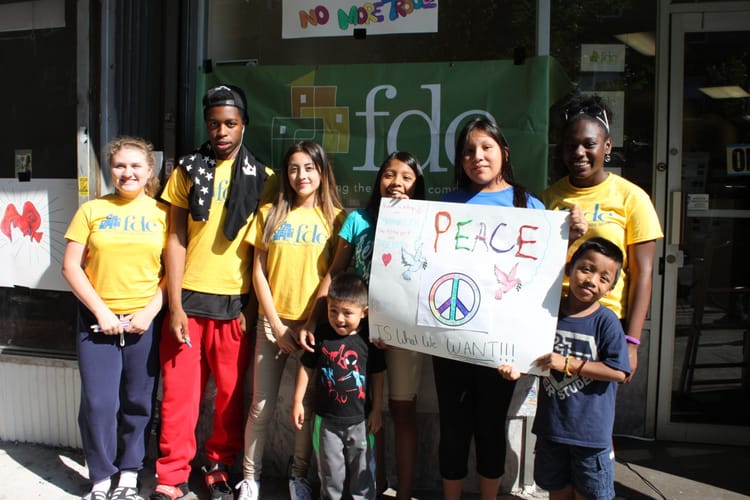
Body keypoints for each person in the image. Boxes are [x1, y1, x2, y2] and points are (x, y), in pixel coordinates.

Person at [152, 85, 277, 500]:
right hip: (187, 300)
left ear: (244, 124)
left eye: (230, 123)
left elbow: (262, 252)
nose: (221, 132)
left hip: (235, 306)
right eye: (213, 124)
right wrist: (173, 305)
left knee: (229, 397)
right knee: (179, 397)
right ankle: (171, 476)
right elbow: (174, 238)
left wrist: (252, 306)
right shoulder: (186, 169)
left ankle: (218, 467)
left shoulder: (265, 179)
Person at [431, 116, 548, 500]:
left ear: (504, 153)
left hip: (503, 349)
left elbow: (542, 276)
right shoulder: (445, 206)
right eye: (468, 150)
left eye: (486, 148)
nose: (477, 157)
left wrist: (572, 234)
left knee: (491, 427)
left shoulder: (528, 205)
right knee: (453, 427)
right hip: (451, 340)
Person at [299, 151, 426, 499]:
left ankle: (402, 492)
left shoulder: (426, 224)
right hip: (355, 332)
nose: (396, 183)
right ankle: (374, 487)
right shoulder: (358, 220)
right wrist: (314, 318)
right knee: (365, 411)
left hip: (401, 334)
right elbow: (336, 271)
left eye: (406, 177)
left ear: (417, 186)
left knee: (401, 410)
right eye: (389, 175)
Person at [237, 140, 346, 500]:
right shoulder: (270, 213)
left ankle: (298, 474)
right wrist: (276, 325)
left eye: (310, 168)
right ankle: (250, 477)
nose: (302, 175)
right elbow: (259, 274)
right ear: (286, 174)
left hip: (313, 329)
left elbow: (334, 275)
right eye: (295, 168)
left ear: (322, 172)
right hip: (273, 325)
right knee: (261, 405)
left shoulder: (336, 218)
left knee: (306, 408)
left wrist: (308, 325)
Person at [62, 136, 167, 500]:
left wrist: (150, 312)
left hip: (143, 322)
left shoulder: (163, 214)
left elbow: (173, 273)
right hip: (97, 323)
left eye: (136, 165)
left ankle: (129, 474)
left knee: (139, 402)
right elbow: (71, 267)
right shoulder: (91, 211)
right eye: (120, 166)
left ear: (149, 170)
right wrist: (101, 311)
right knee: (99, 402)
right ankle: (101, 476)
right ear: (111, 169)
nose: (128, 173)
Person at [542, 94, 664, 382]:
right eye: (571, 146)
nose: (579, 152)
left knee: (591, 411)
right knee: (553, 405)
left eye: (589, 144)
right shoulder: (548, 198)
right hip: (554, 318)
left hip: (604, 322)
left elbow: (643, 274)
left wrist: (631, 342)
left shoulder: (632, 197)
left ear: (607, 146)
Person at [498, 237, 631, 500]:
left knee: (589, 494)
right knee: (556, 491)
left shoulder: (606, 322)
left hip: (591, 435)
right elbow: (531, 355)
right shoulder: (547, 314)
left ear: (612, 287)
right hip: (552, 429)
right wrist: (517, 370)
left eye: (604, 278)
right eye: (586, 268)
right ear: (569, 268)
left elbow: (619, 372)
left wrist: (569, 364)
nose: (592, 280)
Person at [292, 271, 386, 499]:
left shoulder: (369, 342)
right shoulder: (322, 336)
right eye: (333, 311)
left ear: (364, 313)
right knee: (330, 476)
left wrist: (376, 410)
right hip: (326, 423)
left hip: (360, 422)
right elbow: (306, 367)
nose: (339, 319)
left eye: (347, 313)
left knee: (363, 476)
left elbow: (377, 375)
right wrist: (297, 402)